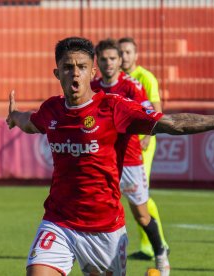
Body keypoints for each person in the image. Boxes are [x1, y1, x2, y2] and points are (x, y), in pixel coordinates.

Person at [6, 36, 214, 276]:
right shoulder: (51, 109)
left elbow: (172, 123)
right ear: (57, 73)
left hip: (104, 228)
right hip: (59, 221)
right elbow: (30, 122)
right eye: (67, 67)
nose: (75, 73)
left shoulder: (113, 108)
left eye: (82, 67)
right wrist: (14, 116)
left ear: (92, 72)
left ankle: (160, 254)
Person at [91, 38, 170, 274]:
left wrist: (145, 133)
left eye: (112, 58)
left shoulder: (132, 86)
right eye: (103, 59)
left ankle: (161, 256)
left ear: (119, 60)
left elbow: (149, 114)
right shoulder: (92, 87)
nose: (108, 63)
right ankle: (104, 264)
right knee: (100, 213)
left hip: (130, 160)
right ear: (97, 61)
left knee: (142, 216)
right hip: (103, 161)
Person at [118, 36, 169, 260]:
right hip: (122, 144)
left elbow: (156, 109)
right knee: (129, 196)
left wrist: (148, 134)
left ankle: (159, 245)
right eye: (121, 53)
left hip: (142, 142)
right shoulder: (115, 79)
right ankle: (148, 245)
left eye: (128, 52)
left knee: (141, 196)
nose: (124, 57)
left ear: (136, 55)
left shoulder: (145, 77)